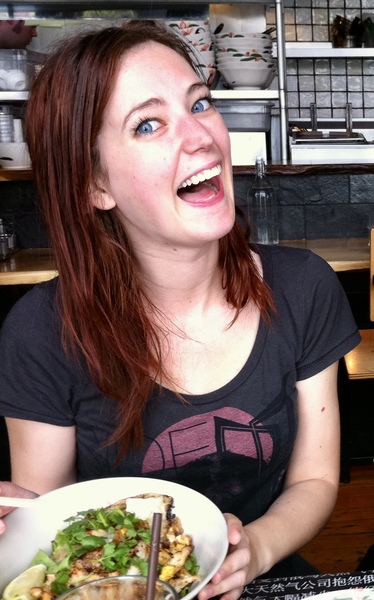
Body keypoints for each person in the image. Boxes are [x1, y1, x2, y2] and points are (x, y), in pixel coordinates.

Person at [0, 19, 360, 600]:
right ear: (95, 183)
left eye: (201, 103)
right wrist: (16, 526)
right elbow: (48, 521)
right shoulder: (42, 333)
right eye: (149, 124)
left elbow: (316, 478)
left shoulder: (303, 287)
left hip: (266, 577)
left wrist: (256, 550)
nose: (200, 137)